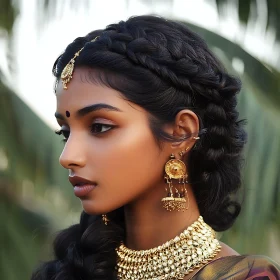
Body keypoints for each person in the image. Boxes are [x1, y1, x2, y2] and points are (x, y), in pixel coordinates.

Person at [31, 15, 280, 280]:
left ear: (182, 133)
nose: (67, 157)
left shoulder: (247, 276)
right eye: (65, 133)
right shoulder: (75, 270)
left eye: (100, 127)